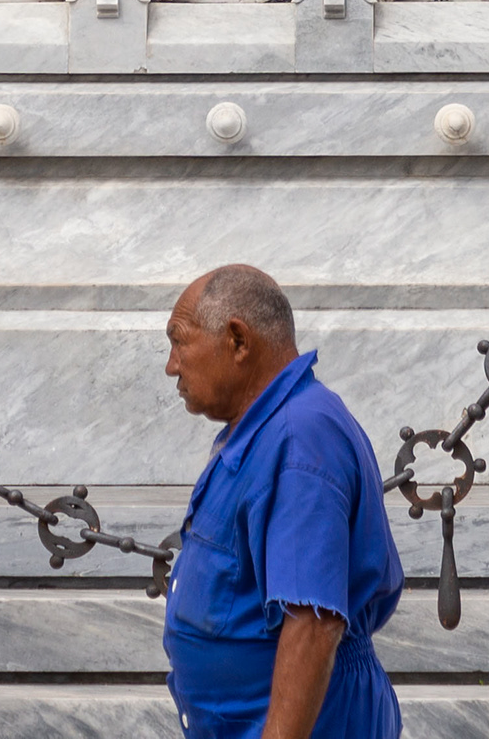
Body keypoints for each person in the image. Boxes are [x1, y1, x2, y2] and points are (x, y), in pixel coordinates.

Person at [161, 265, 404, 739]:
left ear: (237, 340)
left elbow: (313, 623)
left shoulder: (299, 438)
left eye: (179, 341)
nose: (172, 365)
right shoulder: (264, 428)